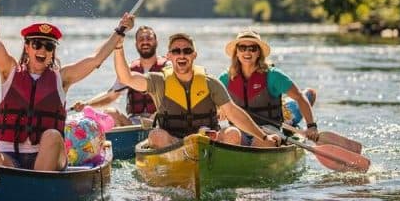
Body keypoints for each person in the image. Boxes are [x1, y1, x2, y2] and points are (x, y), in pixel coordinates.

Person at [0, 0, 132, 171]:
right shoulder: (9, 72)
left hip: (49, 156)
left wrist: (120, 31)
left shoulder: (62, 78)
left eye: (48, 47)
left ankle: (37, 187)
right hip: (9, 155)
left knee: (52, 135)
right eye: (37, 44)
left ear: (53, 53)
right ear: (27, 48)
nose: (42, 50)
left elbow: (95, 60)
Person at [114, 25, 283, 149]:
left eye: (187, 51)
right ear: (169, 56)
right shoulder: (158, 81)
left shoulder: (210, 83)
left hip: (208, 143)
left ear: (194, 55)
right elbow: (126, 77)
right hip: (175, 144)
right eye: (176, 51)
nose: (182, 55)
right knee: (156, 135)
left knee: (232, 133)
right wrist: (119, 46)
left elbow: (233, 112)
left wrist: (263, 136)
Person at [218, 29, 319, 144]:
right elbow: (212, 107)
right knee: (230, 133)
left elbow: (299, 97)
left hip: (269, 130)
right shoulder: (225, 78)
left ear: (259, 53)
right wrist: (220, 108)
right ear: (236, 52)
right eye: (242, 48)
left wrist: (311, 126)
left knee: (263, 139)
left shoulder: (273, 75)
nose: (247, 52)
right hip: (240, 131)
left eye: (252, 48)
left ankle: (289, 116)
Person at [71, 25, 168, 127]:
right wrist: (87, 104)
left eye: (149, 38)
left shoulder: (167, 66)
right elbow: (111, 96)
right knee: (110, 113)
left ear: (156, 42)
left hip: (159, 120)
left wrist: (157, 116)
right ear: (136, 44)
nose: (145, 42)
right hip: (134, 123)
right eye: (141, 39)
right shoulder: (128, 70)